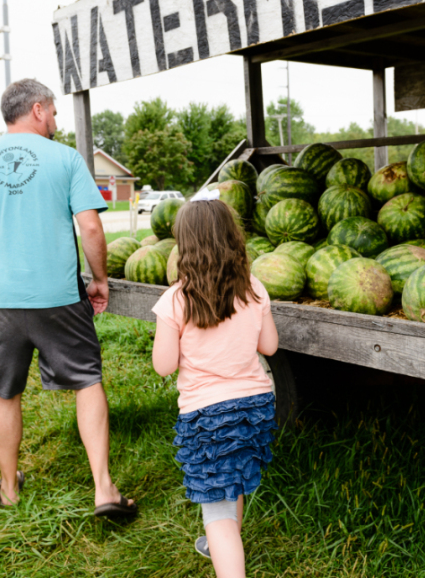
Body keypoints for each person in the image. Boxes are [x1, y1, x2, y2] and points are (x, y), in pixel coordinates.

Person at [0, 78, 137, 517]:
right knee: (87, 381)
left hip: (0, 300)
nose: (54, 119)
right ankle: (104, 489)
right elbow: (90, 227)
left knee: (5, 392)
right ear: (37, 109)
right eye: (52, 111)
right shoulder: (66, 158)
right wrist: (100, 279)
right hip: (59, 297)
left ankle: (9, 489)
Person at [151, 194, 279, 577]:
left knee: (218, 514)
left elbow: (163, 366)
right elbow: (269, 346)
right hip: (255, 407)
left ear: (184, 245)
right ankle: (223, 544)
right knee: (233, 481)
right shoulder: (253, 288)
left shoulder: (176, 300)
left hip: (208, 414)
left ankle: (224, 546)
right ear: (233, 238)